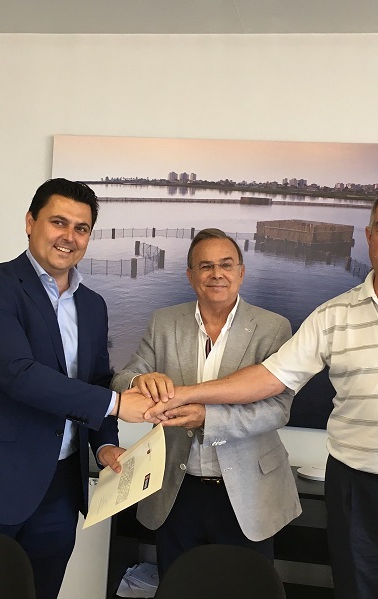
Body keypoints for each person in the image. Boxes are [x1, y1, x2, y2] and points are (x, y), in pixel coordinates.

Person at [145, 191, 378, 599]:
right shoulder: (333, 315)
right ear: (368, 237)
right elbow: (268, 379)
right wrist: (186, 394)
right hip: (355, 493)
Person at [0, 178, 152, 599]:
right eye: (58, 222)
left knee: (39, 591)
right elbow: (19, 374)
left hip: (60, 486)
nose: (69, 237)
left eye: (81, 228)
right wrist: (118, 403)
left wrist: (105, 444)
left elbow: (96, 379)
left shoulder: (93, 304)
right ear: (30, 223)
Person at [112, 228, 302, 577]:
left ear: (241, 272)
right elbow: (122, 379)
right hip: (176, 489)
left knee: (244, 586)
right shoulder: (164, 322)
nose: (217, 274)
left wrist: (207, 419)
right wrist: (139, 381)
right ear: (190, 275)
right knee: (179, 583)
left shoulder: (273, 327)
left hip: (247, 492)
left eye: (226, 265)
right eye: (206, 266)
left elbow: (277, 409)